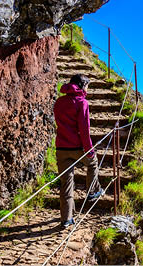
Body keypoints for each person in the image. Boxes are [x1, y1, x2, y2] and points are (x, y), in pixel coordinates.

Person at [53, 74, 103, 228]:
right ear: (82, 85)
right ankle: (92, 191)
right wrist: (89, 150)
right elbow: (84, 129)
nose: (88, 89)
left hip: (61, 147)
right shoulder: (82, 103)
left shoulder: (59, 102)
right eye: (87, 86)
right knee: (93, 163)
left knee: (66, 183)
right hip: (78, 147)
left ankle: (66, 219)